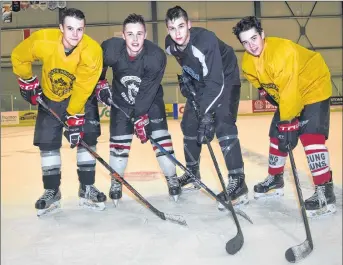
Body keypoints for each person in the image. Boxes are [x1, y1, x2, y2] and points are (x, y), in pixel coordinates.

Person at [232, 16, 336, 218]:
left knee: (311, 137)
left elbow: (290, 89)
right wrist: (272, 101)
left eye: (254, 38)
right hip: (288, 93)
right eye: (245, 42)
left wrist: (289, 122)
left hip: (313, 86)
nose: (251, 46)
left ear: (262, 35)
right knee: (276, 136)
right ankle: (275, 179)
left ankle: (325, 190)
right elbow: (261, 84)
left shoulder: (281, 52)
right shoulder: (247, 62)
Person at [11, 8, 107, 217]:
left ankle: (87, 187)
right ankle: (52, 190)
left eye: (80, 29)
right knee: (47, 143)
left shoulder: (92, 52)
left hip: (81, 97)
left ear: (84, 29)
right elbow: (19, 56)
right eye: (70, 28)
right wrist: (27, 80)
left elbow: (83, 87)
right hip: (51, 97)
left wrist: (75, 115)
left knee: (87, 138)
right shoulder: (43, 40)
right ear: (61, 28)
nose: (75, 34)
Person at [164, 6, 248, 210]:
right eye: (172, 28)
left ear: (189, 25)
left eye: (181, 26)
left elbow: (215, 82)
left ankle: (239, 184)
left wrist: (208, 115)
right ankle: (193, 173)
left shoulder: (206, 41)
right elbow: (190, 63)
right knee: (189, 124)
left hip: (225, 78)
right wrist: (188, 78)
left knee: (222, 122)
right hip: (204, 82)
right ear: (167, 30)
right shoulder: (170, 45)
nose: (178, 33)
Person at [95, 14, 181, 205]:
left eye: (139, 34)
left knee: (161, 140)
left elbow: (147, 92)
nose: (135, 39)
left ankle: (171, 177)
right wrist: (100, 82)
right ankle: (116, 181)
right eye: (130, 34)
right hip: (121, 103)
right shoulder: (110, 48)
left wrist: (141, 117)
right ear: (123, 35)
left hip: (151, 103)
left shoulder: (155, 56)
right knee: (118, 147)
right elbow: (97, 65)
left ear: (146, 35)